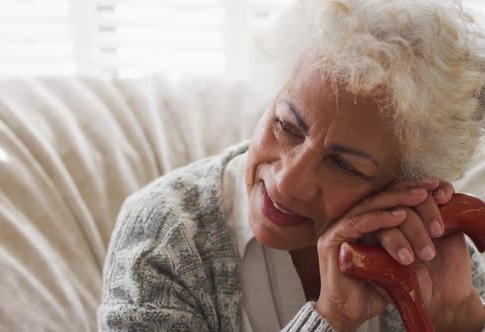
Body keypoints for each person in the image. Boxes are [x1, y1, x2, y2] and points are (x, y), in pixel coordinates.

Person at [98, 0, 485, 331]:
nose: (287, 181)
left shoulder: (428, 246)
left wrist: (457, 321)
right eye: (286, 126)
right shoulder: (163, 237)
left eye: (343, 165)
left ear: (405, 185)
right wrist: (331, 318)